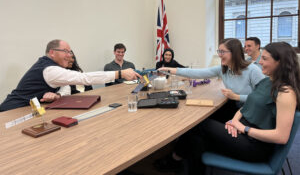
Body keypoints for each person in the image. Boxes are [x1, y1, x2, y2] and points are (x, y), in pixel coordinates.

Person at [155, 42, 300, 174]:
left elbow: (281, 137)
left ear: (280, 62)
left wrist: (244, 129)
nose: (259, 61)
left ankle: (175, 159)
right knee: (197, 140)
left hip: (255, 145)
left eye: (265, 59)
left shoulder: (286, 93)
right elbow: (247, 106)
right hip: (243, 131)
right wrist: (234, 121)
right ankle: (182, 164)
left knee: (200, 126)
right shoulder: (267, 82)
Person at [0, 39, 140, 111]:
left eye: (70, 52)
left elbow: (66, 85)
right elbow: (84, 78)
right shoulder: (50, 70)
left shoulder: (52, 68)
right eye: (65, 51)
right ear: (52, 53)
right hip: (11, 111)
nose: (69, 55)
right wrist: (120, 73)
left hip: (28, 110)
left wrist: (58, 96)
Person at [159, 38, 265, 123]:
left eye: (222, 51)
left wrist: (237, 97)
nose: (219, 55)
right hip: (236, 109)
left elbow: (264, 98)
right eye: (219, 51)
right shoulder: (223, 69)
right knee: (199, 121)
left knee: (202, 124)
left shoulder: (252, 70)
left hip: (251, 114)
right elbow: (196, 73)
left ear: (234, 53)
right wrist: (170, 70)